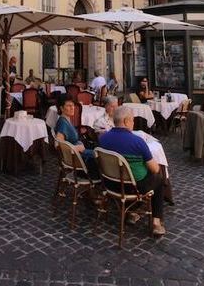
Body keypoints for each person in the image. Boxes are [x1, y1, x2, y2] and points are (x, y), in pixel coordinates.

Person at [99, 105, 167, 236]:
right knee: (158, 177)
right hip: (133, 186)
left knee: (145, 176)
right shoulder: (138, 142)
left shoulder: (103, 138)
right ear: (126, 121)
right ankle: (156, 222)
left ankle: (131, 213)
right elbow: (154, 168)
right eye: (132, 120)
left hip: (110, 184)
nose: (133, 123)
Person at [54, 98, 96, 169]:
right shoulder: (63, 123)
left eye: (73, 105)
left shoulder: (66, 120)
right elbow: (58, 144)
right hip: (78, 158)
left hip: (78, 154)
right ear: (61, 108)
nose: (72, 108)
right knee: (102, 155)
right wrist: (76, 148)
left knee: (99, 148)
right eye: (68, 106)